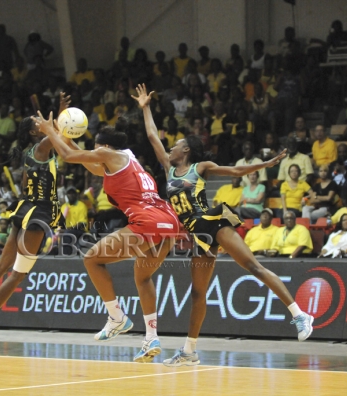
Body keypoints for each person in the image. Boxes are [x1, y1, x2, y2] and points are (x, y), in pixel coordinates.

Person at [134, 84, 313, 367]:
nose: (170, 147)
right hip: (197, 235)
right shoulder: (168, 169)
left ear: (187, 150)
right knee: (197, 293)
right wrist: (145, 107)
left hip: (213, 223)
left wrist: (267, 163)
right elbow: (152, 135)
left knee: (253, 267)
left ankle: (299, 314)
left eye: (176, 145)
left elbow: (236, 170)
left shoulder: (200, 167)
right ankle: (189, 351)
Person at [36, 109, 184, 365]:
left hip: (147, 222)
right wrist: (64, 134)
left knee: (92, 259)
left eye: (96, 149)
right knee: (143, 277)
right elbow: (85, 161)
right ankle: (151, 338)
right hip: (169, 221)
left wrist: (50, 132)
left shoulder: (107, 153)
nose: (95, 153)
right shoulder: (126, 158)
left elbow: (70, 156)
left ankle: (117, 317)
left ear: (103, 147)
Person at [0, 95, 70, 342]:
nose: (42, 121)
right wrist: (61, 112)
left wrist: (60, 114)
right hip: (39, 212)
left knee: (1, 266)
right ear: (35, 131)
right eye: (38, 120)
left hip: (25, 208)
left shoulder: (29, 152)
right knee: (17, 274)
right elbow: (60, 136)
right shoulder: (43, 146)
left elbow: (25, 183)